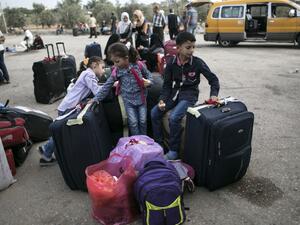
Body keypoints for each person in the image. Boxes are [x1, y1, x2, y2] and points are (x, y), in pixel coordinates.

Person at [151, 32, 220, 160]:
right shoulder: (171, 63)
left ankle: (173, 151)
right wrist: (161, 100)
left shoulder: (198, 63)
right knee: (155, 113)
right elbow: (166, 86)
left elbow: (213, 80)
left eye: (193, 47)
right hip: (174, 94)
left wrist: (214, 95)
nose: (192, 50)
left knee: (174, 117)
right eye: (188, 47)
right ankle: (159, 145)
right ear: (178, 48)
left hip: (189, 96)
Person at [38, 57, 105, 166]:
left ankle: (46, 149)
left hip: (67, 106)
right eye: (102, 67)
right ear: (94, 65)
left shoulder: (86, 73)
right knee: (61, 131)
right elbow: (97, 91)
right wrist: (110, 84)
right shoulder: (89, 75)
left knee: (61, 130)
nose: (103, 70)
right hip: (68, 107)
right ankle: (46, 153)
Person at [92, 43, 153, 135]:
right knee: (133, 123)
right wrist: (96, 99)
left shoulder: (138, 65)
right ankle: (136, 141)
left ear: (126, 57)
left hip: (141, 98)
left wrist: (149, 82)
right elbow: (107, 85)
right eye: (113, 62)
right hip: (128, 101)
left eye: (117, 61)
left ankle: (143, 141)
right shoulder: (117, 71)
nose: (115, 65)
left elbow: (149, 74)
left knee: (143, 121)